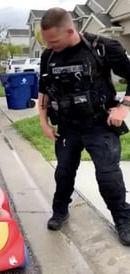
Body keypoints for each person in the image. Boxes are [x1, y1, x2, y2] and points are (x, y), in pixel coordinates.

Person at [38, 7, 130, 246]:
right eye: (46, 41)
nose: (49, 46)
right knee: (64, 173)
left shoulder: (104, 47)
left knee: (108, 177)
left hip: (99, 125)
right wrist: (43, 123)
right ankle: (60, 211)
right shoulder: (48, 55)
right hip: (67, 127)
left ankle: (123, 219)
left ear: (70, 30)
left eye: (54, 41)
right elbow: (44, 92)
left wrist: (124, 107)